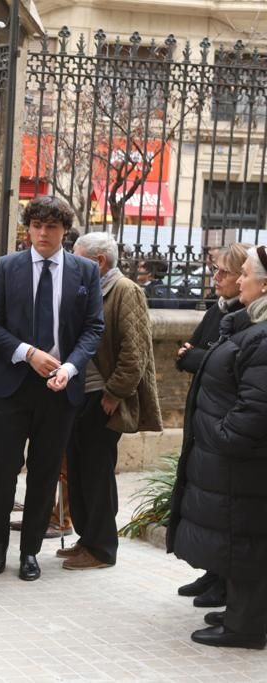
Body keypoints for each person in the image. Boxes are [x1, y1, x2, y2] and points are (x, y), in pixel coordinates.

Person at [0, 195, 104, 582]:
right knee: (3, 470)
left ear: (65, 231)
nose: (43, 233)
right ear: (28, 228)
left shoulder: (85, 272)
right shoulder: (6, 266)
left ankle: (29, 550)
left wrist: (70, 366)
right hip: (13, 384)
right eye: (36, 226)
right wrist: (26, 352)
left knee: (45, 472)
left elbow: (93, 328)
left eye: (51, 227)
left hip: (60, 388)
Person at [167, 244, 267, 650]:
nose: (237, 279)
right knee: (241, 538)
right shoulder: (248, 325)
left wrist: (225, 436)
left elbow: (257, 405)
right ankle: (240, 614)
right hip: (232, 461)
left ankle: (244, 627)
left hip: (242, 462)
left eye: (245, 273)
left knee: (246, 542)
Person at [64, 232, 162, 571]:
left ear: (98, 262)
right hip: (82, 395)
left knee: (96, 472)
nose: (71, 264)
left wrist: (114, 394)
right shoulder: (92, 291)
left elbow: (134, 353)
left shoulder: (124, 291)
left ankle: (102, 548)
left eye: (77, 258)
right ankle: (87, 538)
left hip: (102, 398)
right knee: (80, 469)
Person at [173, 241, 250, 607]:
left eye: (225, 272)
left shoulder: (249, 316)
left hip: (224, 422)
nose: (215, 278)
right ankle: (210, 572)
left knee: (223, 506)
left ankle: (224, 581)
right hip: (203, 415)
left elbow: (216, 362)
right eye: (215, 270)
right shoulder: (217, 310)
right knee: (204, 501)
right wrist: (196, 357)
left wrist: (197, 358)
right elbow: (186, 354)